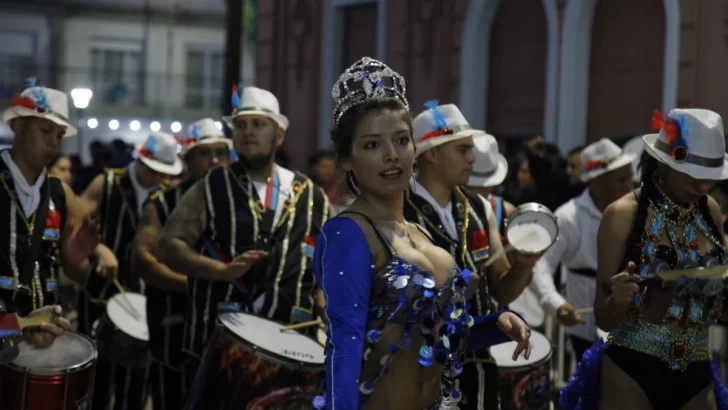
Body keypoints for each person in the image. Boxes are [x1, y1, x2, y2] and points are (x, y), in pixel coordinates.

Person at [313, 57, 532, 410]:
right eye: (372, 145)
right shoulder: (348, 233)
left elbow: (436, 339)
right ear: (347, 160)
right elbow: (345, 346)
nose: (391, 156)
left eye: (401, 140)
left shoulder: (420, 232)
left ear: (415, 150)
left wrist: (497, 325)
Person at [157, 86, 329, 407]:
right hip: (222, 349)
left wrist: (330, 310)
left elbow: (324, 268)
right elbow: (168, 247)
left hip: (290, 349)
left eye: (258, 125)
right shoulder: (212, 185)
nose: (248, 132)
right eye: (241, 125)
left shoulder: (311, 195)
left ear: (279, 135)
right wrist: (220, 271)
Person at [561, 109, 728, 410]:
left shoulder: (711, 210)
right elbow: (604, 317)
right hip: (631, 370)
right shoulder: (621, 215)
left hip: (697, 366)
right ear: (663, 162)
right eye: (694, 174)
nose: (702, 186)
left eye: (710, 178)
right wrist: (618, 300)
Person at [403, 102, 539, 409]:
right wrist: (445, 296)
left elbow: (502, 289)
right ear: (433, 154)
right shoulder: (398, 209)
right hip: (418, 370)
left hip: (476, 368)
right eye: (463, 149)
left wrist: (524, 267)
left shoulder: (479, 208)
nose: (472, 158)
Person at [133, 118, 233, 410]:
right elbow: (143, 261)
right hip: (173, 320)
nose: (214, 160)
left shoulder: (238, 202)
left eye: (220, 153)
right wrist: (194, 286)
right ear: (187, 158)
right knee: (172, 398)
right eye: (204, 153)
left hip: (222, 326)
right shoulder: (162, 202)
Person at [80, 131, 183, 410]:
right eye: (153, 170)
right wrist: (98, 248)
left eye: (163, 172)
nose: (157, 177)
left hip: (145, 296)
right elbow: (75, 220)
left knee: (137, 381)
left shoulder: (169, 196)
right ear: (141, 161)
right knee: (96, 378)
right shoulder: (108, 182)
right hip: (101, 290)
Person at [0, 80, 101, 348]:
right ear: (17, 125)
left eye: (59, 135)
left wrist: (74, 258)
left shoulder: (60, 192)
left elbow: (79, 274)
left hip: (44, 336)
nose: (53, 142)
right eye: (45, 130)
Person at [529, 138, 634, 361]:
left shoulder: (639, 211)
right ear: (597, 181)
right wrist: (556, 305)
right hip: (586, 333)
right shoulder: (568, 217)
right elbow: (541, 265)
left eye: (630, 179)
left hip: (634, 330)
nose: (630, 187)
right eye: (622, 180)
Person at [466, 133, 515, 237]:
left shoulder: (506, 211)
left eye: (483, 186)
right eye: (471, 186)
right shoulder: (449, 206)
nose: (477, 191)